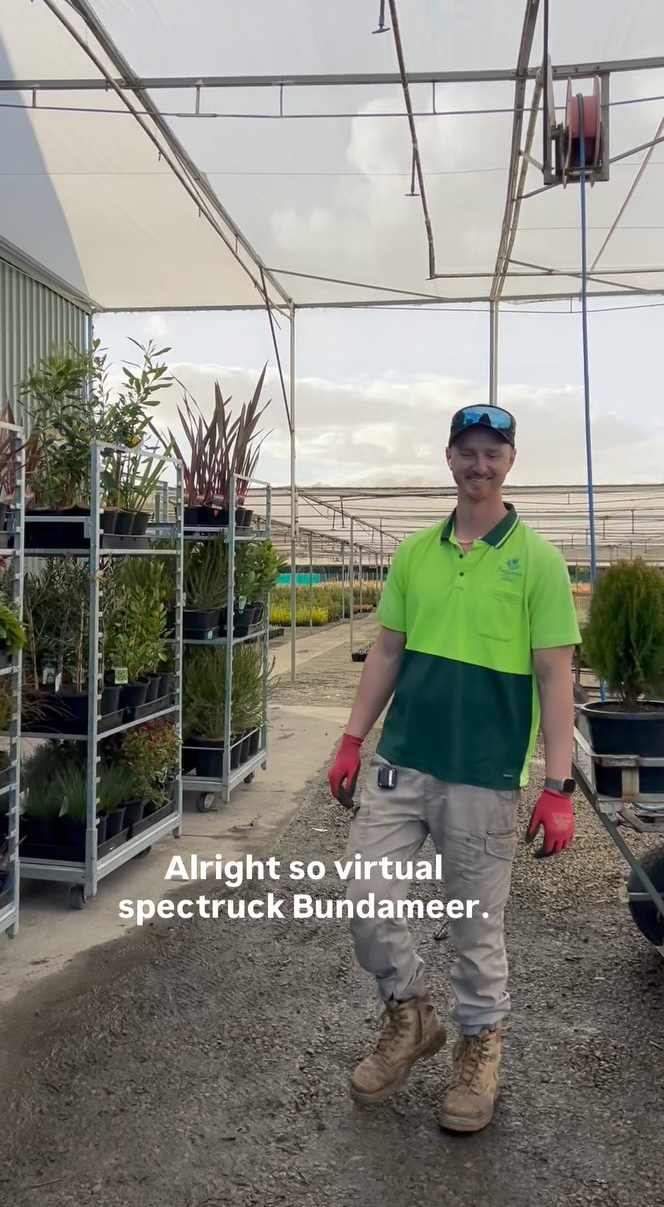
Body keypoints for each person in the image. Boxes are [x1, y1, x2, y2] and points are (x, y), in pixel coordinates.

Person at [327, 403, 581, 1133]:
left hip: (486, 775)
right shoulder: (415, 553)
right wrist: (351, 737)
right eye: (467, 451)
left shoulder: (536, 560)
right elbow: (388, 651)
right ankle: (410, 1016)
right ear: (448, 458)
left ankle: (479, 1047)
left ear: (509, 461)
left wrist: (557, 786)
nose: (479, 464)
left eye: (491, 452)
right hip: (402, 763)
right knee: (367, 898)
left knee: (476, 927)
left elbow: (554, 674)